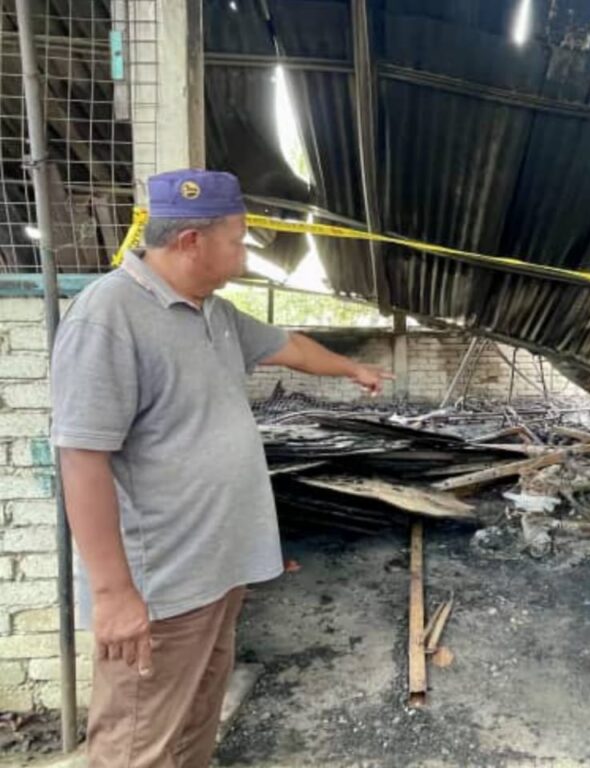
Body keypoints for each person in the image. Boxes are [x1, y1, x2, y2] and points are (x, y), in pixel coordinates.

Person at [50, 169, 393, 767]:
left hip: (217, 572)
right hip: (163, 587)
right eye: (237, 240)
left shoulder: (215, 313)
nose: (244, 253)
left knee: (194, 725)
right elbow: (81, 459)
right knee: (137, 746)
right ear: (192, 242)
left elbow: (289, 346)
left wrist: (352, 369)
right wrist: (114, 594)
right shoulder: (107, 317)